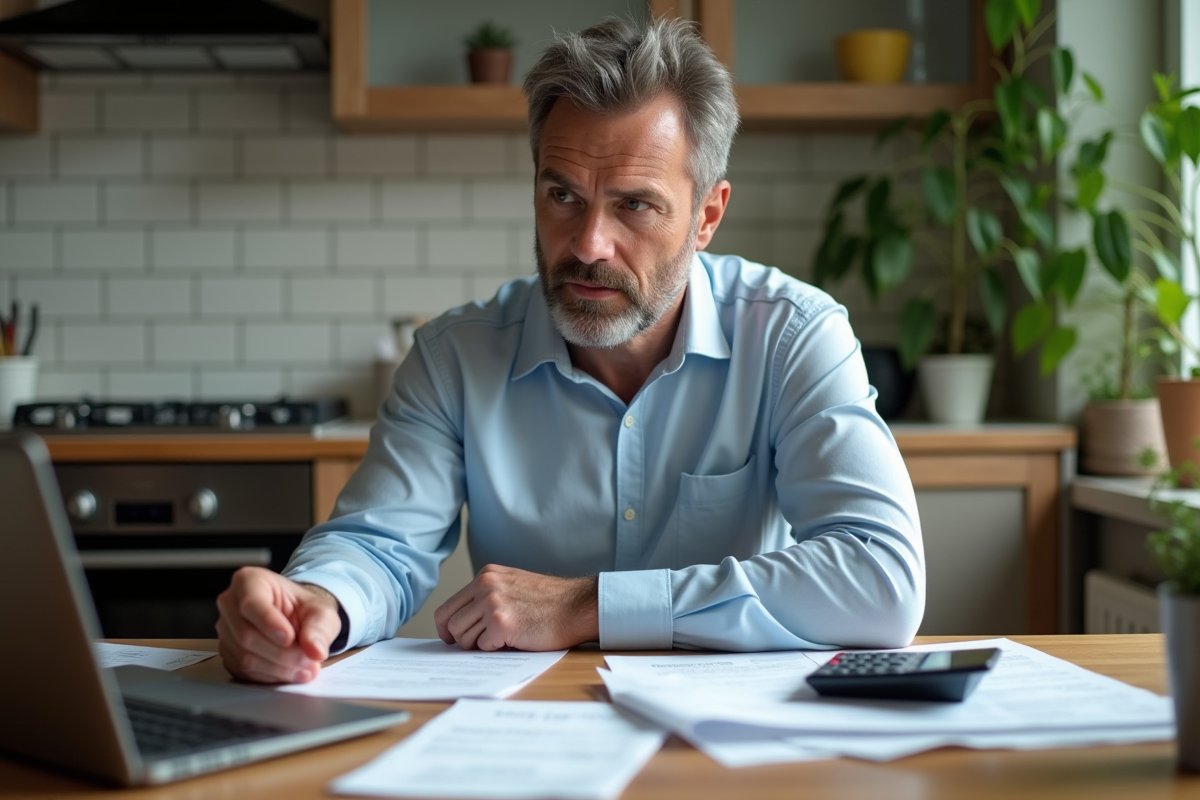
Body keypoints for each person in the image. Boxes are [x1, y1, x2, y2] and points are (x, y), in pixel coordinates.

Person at [215, 17, 924, 685]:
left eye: (634, 205)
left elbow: (880, 578)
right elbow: (378, 544)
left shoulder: (793, 335)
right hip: (521, 735)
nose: (587, 244)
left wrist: (589, 605)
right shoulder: (453, 357)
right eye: (562, 195)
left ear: (707, 216)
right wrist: (314, 605)